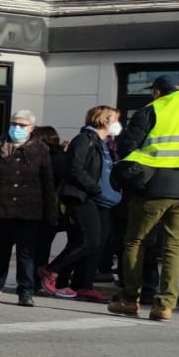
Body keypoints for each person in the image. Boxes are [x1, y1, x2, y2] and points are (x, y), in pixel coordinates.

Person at [110, 75, 179, 321]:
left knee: (136, 241)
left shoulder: (152, 109)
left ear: (157, 92)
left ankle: (129, 299)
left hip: (154, 185)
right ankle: (165, 305)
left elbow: (127, 146)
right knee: (175, 247)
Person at [0, 110, 57, 306]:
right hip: (1, 208)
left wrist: (51, 212)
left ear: (31, 128)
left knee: (26, 252)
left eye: (22, 125)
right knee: (2, 250)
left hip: (29, 209)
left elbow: (47, 183)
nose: (17, 128)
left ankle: (25, 291)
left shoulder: (41, 149)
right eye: (14, 124)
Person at [47, 106, 119, 303]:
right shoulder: (84, 140)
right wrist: (94, 188)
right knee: (88, 240)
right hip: (84, 197)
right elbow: (75, 168)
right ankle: (51, 271)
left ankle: (83, 285)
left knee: (97, 244)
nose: (117, 124)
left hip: (104, 201)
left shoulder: (107, 144)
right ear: (104, 120)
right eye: (115, 119)